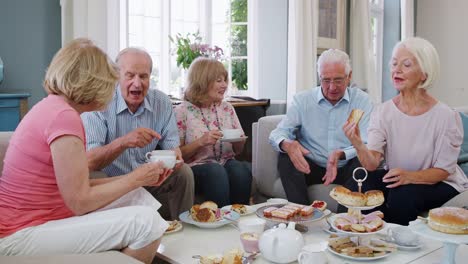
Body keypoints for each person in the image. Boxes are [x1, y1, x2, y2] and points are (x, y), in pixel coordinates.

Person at [0, 39, 169, 264]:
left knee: (137, 196)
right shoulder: (63, 117)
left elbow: (78, 186)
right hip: (19, 234)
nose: (112, 89)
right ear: (91, 82)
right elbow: (80, 201)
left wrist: (140, 180)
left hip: (39, 218)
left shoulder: (55, 107)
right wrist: (137, 177)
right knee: (147, 223)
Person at [343, 37, 468, 225]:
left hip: (442, 182)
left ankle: (400, 247)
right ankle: (361, 238)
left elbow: (443, 171)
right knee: (359, 183)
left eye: (406, 64)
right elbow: (371, 163)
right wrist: (358, 144)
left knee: (402, 194)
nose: (396, 70)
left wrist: (410, 177)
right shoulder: (383, 111)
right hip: (399, 177)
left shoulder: (446, 116)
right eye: (394, 63)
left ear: (424, 73)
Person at [81, 47, 194, 220]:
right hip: (113, 184)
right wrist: (124, 142)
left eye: (143, 76)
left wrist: (174, 159)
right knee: (96, 175)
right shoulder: (100, 103)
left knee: (184, 173)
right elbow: (91, 161)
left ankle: (183, 228)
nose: (137, 83)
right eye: (130, 75)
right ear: (117, 76)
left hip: (149, 179)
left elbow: (173, 149)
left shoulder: (161, 102)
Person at [269, 49, 373, 205]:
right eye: (326, 80)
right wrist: (286, 144)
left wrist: (341, 154)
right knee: (286, 156)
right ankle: (302, 215)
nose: (332, 87)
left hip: (346, 168)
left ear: (349, 76)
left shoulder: (362, 101)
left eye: (338, 80)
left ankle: (344, 222)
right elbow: (278, 133)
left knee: (362, 163)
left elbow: (367, 143)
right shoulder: (302, 100)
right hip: (312, 167)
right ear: (319, 77)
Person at [174, 57, 252, 207]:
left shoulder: (227, 108)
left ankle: (240, 218)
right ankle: (218, 221)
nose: (224, 85)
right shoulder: (182, 111)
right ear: (203, 82)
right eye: (218, 80)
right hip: (196, 167)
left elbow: (238, 151)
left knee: (241, 170)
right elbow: (177, 155)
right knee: (215, 172)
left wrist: (239, 142)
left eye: (224, 80)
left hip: (226, 161)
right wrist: (200, 142)